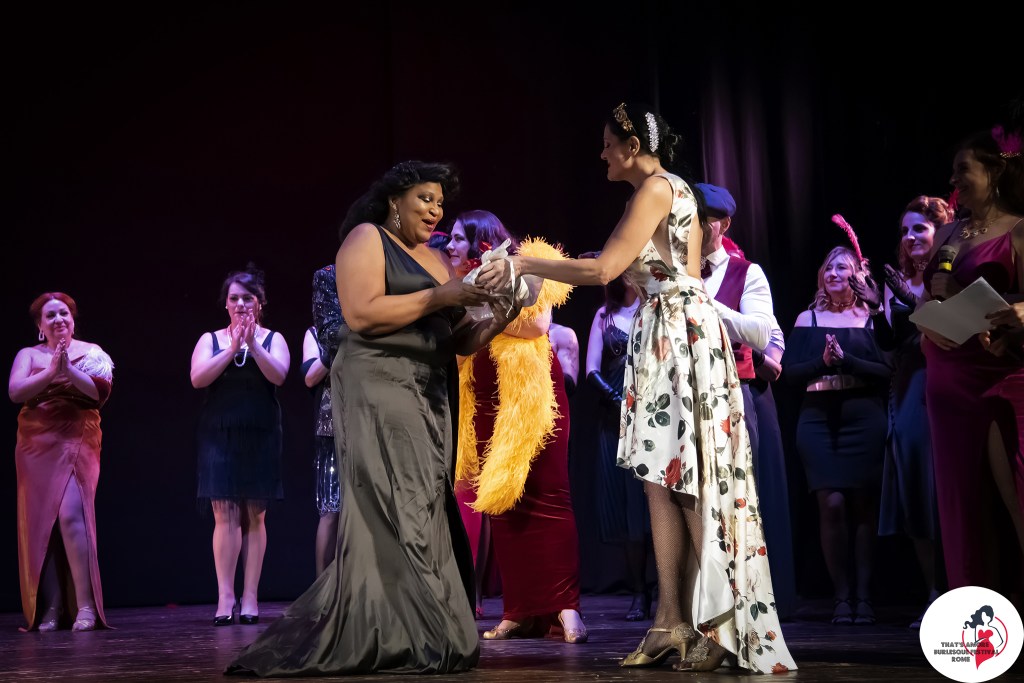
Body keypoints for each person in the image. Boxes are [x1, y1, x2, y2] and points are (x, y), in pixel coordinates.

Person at [478, 102, 796, 673]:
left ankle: (718, 623)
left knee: (687, 478)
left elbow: (603, 271)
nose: (602, 154)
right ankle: (670, 621)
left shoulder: (656, 188)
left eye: (608, 144)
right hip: (664, 328)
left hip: (677, 331)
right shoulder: (659, 191)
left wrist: (526, 264)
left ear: (632, 147)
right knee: (661, 480)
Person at [227, 161, 520, 676]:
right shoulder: (367, 239)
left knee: (423, 504)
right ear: (395, 200)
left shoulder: (435, 258)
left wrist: (502, 312)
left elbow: (459, 340)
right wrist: (443, 295)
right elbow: (361, 314)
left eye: (440, 202)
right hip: (380, 383)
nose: (435, 210)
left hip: (430, 392)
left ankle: (417, 627)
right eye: (425, 198)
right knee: (399, 504)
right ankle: (402, 632)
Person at [448, 209, 586, 644]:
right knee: (503, 505)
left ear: (481, 241)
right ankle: (519, 610)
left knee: (549, 496)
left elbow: (538, 324)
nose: (449, 246)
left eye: (457, 238)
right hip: (486, 400)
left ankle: (566, 607)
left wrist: (485, 308)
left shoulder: (525, 264)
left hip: (531, 399)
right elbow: (458, 341)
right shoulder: (453, 284)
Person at [918, 121, 1024, 594]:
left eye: (964, 169)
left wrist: (964, 292)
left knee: (1014, 497)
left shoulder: (1018, 230)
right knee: (961, 507)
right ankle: (975, 617)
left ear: (994, 171)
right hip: (947, 380)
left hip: (999, 375)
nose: (954, 179)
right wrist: (925, 321)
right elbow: (928, 299)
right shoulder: (949, 232)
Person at [695, 182, 797, 621]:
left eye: (703, 220)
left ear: (722, 224)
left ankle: (754, 598)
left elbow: (762, 331)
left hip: (738, 393)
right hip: (690, 397)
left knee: (743, 498)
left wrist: (704, 303)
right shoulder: (673, 271)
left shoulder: (745, 272)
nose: (693, 227)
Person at [852, 195, 953, 627]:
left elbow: (949, 327)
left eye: (920, 228)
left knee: (946, 488)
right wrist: (878, 305)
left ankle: (961, 586)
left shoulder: (952, 273)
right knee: (916, 488)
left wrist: (911, 301)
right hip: (910, 386)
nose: (910, 237)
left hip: (947, 380)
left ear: (940, 231)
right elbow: (890, 343)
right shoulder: (899, 280)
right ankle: (934, 591)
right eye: (905, 230)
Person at [782, 245, 890, 625]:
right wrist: (823, 362)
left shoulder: (872, 318)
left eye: (841, 268)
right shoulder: (807, 318)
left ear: (857, 275)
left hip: (864, 416)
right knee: (831, 505)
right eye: (828, 268)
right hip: (817, 418)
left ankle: (865, 596)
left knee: (863, 506)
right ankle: (841, 597)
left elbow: (886, 370)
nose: (832, 274)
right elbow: (789, 373)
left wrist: (848, 361)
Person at [190, 265, 291, 626]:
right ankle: (225, 597)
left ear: (260, 302)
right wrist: (232, 347)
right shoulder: (211, 339)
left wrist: (252, 346)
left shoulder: (273, 339)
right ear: (226, 304)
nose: (240, 304)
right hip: (220, 434)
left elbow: (279, 374)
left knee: (255, 514)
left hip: (261, 432)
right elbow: (198, 378)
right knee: (224, 513)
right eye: (234, 298)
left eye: (247, 298)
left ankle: (250, 597)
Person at [9, 292, 114, 632]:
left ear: (72, 319)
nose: (58, 320)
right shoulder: (28, 354)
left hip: (76, 437)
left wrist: (66, 368)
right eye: (50, 315)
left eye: (64, 314)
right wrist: (52, 370)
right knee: (45, 524)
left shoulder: (91, 351)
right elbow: (16, 392)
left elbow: (98, 393)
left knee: (70, 515)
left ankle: (85, 605)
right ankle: (52, 607)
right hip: (36, 444)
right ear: (40, 325)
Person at [585, 274, 654, 621]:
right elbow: (590, 369)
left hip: (652, 412)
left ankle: (669, 590)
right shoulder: (604, 315)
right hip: (614, 419)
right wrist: (617, 400)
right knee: (624, 508)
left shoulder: (654, 309)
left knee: (651, 502)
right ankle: (639, 592)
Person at [301, 263, 344, 576]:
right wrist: (336, 345)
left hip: (366, 422)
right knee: (331, 509)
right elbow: (310, 376)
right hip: (331, 428)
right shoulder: (316, 334)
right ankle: (322, 586)